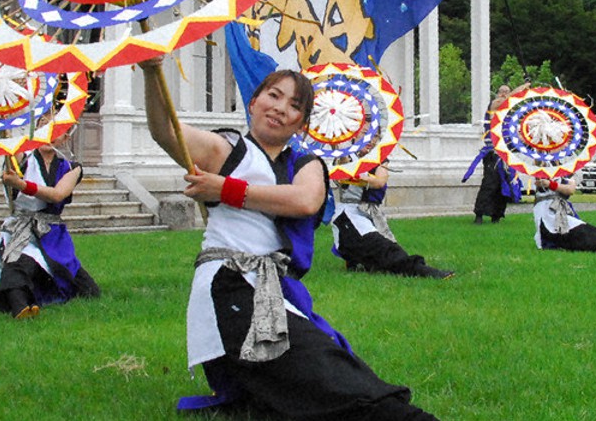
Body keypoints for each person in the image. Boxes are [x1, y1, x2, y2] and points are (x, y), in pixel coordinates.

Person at [138, 58, 436, 420]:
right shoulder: (226, 149)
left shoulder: (306, 164)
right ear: (253, 102)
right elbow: (165, 131)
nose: (280, 108)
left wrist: (227, 189)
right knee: (324, 377)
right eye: (273, 96)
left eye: (294, 105)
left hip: (273, 288)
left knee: (332, 365)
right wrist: (152, 73)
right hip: (229, 284)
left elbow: (305, 201)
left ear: (302, 123)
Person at [0, 130, 100, 319]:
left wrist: (22, 185)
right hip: (22, 227)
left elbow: (57, 194)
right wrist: (5, 122)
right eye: (44, 128)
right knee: (19, 263)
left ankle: (35, 294)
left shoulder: (72, 168)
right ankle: (20, 306)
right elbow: (9, 146)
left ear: (65, 138)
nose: (50, 135)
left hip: (52, 234)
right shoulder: (22, 160)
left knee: (89, 290)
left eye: (57, 131)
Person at [332, 160, 455, 278]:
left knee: (388, 250)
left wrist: (361, 178)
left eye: (376, 137)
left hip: (371, 215)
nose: (372, 141)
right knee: (385, 251)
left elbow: (380, 182)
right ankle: (422, 270)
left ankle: (359, 263)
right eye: (366, 137)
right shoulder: (347, 156)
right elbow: (341, 172)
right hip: (349, 217)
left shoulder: (379, 157)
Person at [463, 82, 527, 224]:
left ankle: (497, 215)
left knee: (504, 184)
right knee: (489, 183)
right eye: (501, 91)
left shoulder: (510, 116)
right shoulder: (494, 106)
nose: (504, 93)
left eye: (507, 91)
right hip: (492, 153)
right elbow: (504, 101)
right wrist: (521, 88)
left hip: (505, 154)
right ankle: (479, 213)